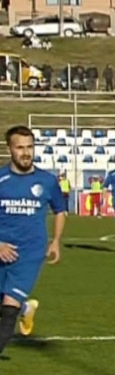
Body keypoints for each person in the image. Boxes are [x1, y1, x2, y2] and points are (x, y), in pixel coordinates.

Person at [0, 126, 66, 356]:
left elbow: (59, 210)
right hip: (1, 248)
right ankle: (25, 307)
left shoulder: (46, 181)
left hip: (29, 253)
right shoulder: (1, 179)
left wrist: (56, 241)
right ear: (10, 149)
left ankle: (18, 307)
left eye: (29, 147)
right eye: (20, 147)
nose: (26, 152)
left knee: (9, 307)